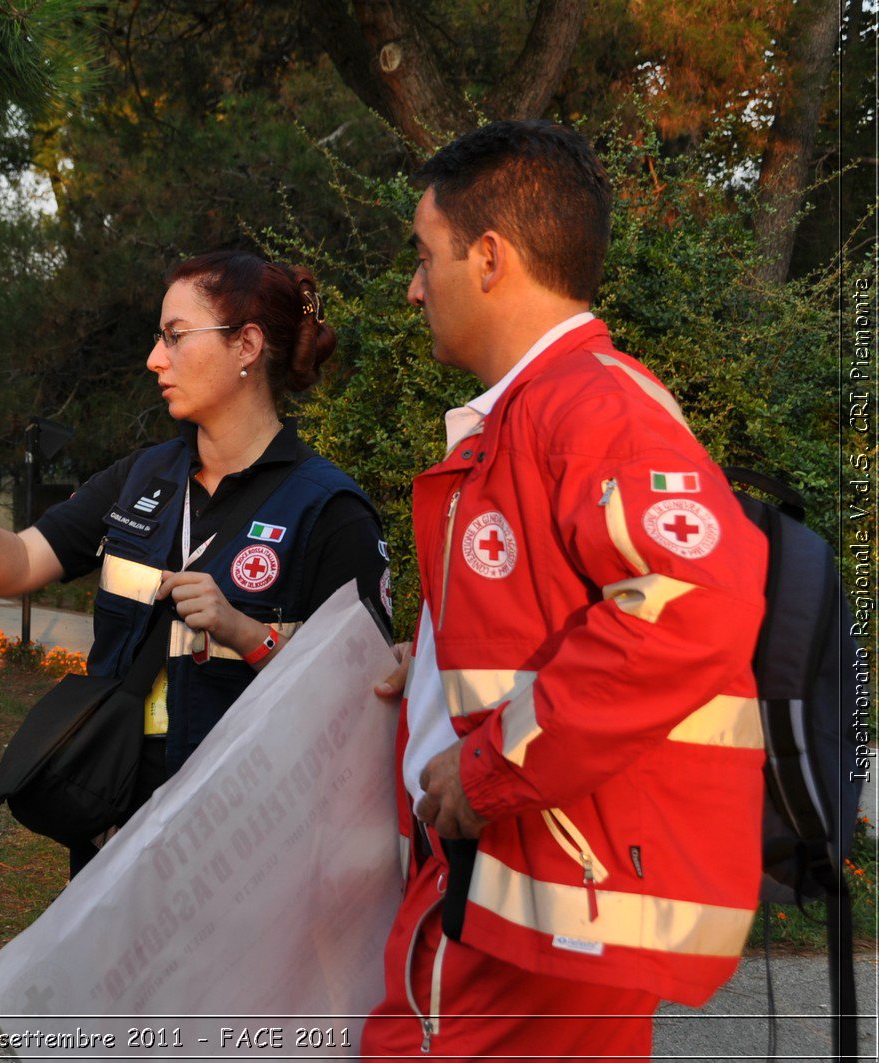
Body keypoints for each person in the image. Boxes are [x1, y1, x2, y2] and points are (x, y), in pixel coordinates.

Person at [361, 121, 767, 1060]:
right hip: (514, 889)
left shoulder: (592, 408)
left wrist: (488, 765)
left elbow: (694, 599)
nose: (416, 286)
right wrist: (428, 663)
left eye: (426, 256)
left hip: (540, 901)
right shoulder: (535, 417)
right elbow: (548, 625)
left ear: (491, 258)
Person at [0, 250, 391, 874]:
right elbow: (19, 564)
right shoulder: (143, 476)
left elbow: (364, 695)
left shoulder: (329, 510)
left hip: (246, 849)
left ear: (247, 345)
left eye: (174, 337)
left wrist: (246, 633)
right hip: (112, 825)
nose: (154, 359)